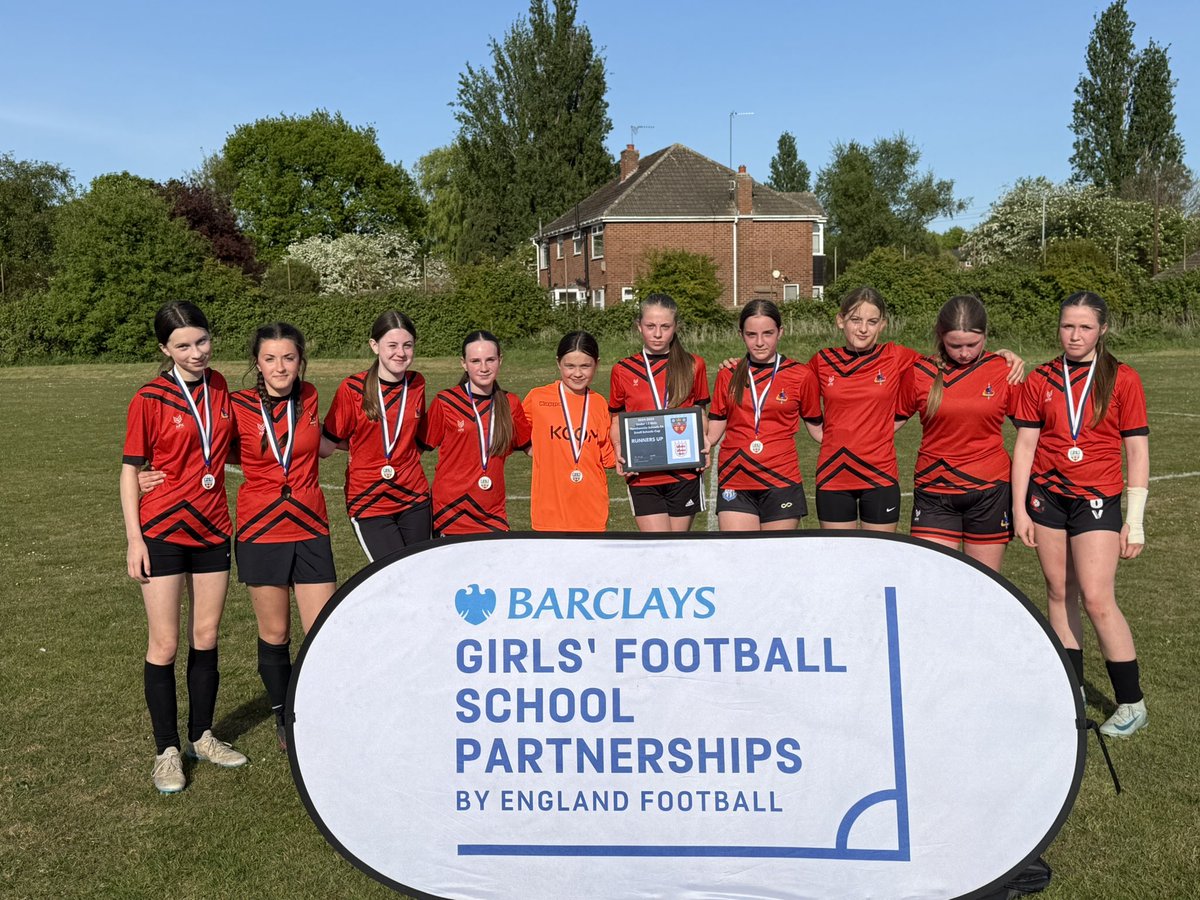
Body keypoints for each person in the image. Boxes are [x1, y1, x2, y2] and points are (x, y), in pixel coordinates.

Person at [120, 300, 247, 793]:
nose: (196, 353)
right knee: (165, 643)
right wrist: (135, 539)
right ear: (164, 349)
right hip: (163, 532)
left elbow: (227, 444)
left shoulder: (219, 387)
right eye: (183, 346)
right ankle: (167, 750)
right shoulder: (148, 398)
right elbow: (131, 471)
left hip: (215, 529)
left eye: (202, 341)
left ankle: (202, 736)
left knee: (208, 634)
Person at [1011, 292, 1150, 737]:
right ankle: (1071, 692)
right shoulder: (1041, 378)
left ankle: (1131, 703)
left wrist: (1137, 519)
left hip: (1097, 499)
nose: (1075, 335)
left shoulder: (1122, 378)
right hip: (1047, 498)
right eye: (1068, 326)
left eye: (1085, 327)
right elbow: (1026, 446)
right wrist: (1020, 509)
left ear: (1102, 330)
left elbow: (1137, 451)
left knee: (1095, 597)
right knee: (1058, 592)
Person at [808, 286, 1022, 531]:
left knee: (882, 559)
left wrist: (1001, 355)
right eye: (855, 320)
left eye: (872, 321)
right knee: (839, 560)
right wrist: (831, 439)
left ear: (883, 324)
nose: (863, 328)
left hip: (880, 474)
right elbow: (804, 404)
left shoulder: (899, 356)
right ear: (840, 320)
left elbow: (948, 358)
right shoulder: (820, 361)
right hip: (833, 474)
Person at [229, 322, 336, 749]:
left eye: (288, 358)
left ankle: (320, 709)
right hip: (261, 528)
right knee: (276, 634)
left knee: (322, 630)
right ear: (257, 362)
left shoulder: (309, 397)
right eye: (270, 358)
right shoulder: (236, 405)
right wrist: (149, 475)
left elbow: (321, 442)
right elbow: (204, 452)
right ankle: (283, 716)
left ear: (300, 361)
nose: (280, 367)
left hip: (310, 526)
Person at [896, 296, 1021, 571]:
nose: (964, 353)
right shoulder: (919, 373)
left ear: (986, 336)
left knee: (984, 586)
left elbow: (1030, 437)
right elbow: (887, 425)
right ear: (941, 336)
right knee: (933, 586)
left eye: (972, 345)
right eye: (955, 345)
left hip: (990, 491)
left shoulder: (1004, 371)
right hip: (934, 491)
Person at [322, 311, 431, 562]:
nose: (400, 353)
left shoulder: (417, 383)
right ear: (374, 346)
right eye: (392, 345)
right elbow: (326, 444)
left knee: (422, 573)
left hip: (414, 497)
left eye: (407, 345)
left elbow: (408, 436)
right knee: (390, 578)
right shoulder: (352, 388)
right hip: (369, 500)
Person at [706, 300, 822, 531]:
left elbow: (818, 431)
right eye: (751, 334)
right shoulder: (728, 374)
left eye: (768, 333)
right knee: (739, 558)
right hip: (736, 480)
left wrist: (862, 438)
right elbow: (713, 433)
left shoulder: (801, 375)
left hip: (782, 480)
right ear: (741, 335)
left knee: (775, 562)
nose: (759, 342)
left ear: (781, 332)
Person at [609, 293, 711, 532]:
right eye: (650, 326)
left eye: (665, 327)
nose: (657, 334)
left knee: (677, 549)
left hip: (684, 471)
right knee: (656, 548)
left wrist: (703, 439)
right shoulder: (623, 369)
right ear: (639, 326)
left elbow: (700, 413)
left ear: (675, 327)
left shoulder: (693, 364)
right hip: (642, 474)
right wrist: (618, 448)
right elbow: (616, 419)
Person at [419, 330, 532, 535]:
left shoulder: (511, 403)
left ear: (500, 361)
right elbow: (415, 450)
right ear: (464, 363)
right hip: (450, 513)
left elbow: (533, 449)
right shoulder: (446, 402)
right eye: (475, 361)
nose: (483, 368)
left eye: (490, 360)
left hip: (493, 514)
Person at [524, 331, 616, 532]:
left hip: (592, 512)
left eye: (585, 366)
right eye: (570, 366)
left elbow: (608, 457)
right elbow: (513, 432)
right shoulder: (538, 398)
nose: (577, 373)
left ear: (597, 364)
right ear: (558, 363)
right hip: (549, 514)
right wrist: (532, 448)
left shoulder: (599, 403)